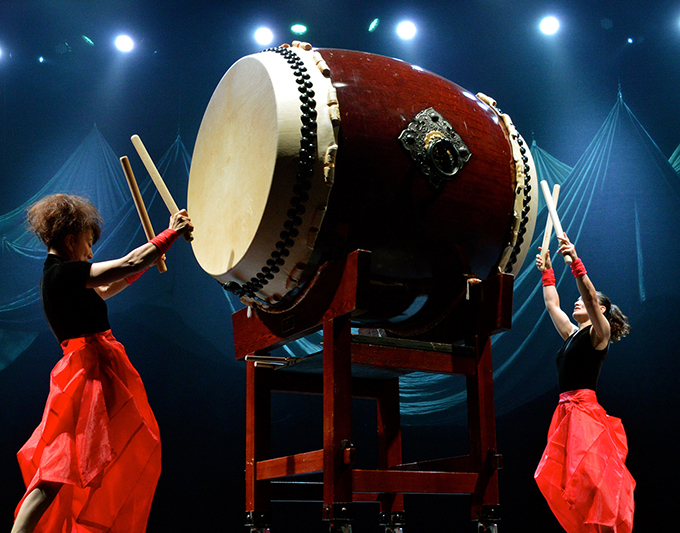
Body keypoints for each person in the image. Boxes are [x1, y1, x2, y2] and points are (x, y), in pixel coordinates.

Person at [11, 193, 193, 533]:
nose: (91, 252)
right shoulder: (62, 273)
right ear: (71, 239)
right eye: (88, 244)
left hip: (88, 367)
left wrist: (151, 258)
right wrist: (168, 235)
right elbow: (125, 264)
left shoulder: (61, 278)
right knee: (57, 466)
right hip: (87, 372)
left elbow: (110, 284)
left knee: (64, 466)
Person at [533, 233, 635, 533]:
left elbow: (589, 296)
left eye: (584, 302)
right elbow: (553, 306)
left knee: (592, 479)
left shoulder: (598, 335)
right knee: (572, 483)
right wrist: (547, 272)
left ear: (600, 310)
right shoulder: (572, 334)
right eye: (575, 300)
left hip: (585, 413)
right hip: (565, 413)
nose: (577, 302)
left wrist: (575, 262)